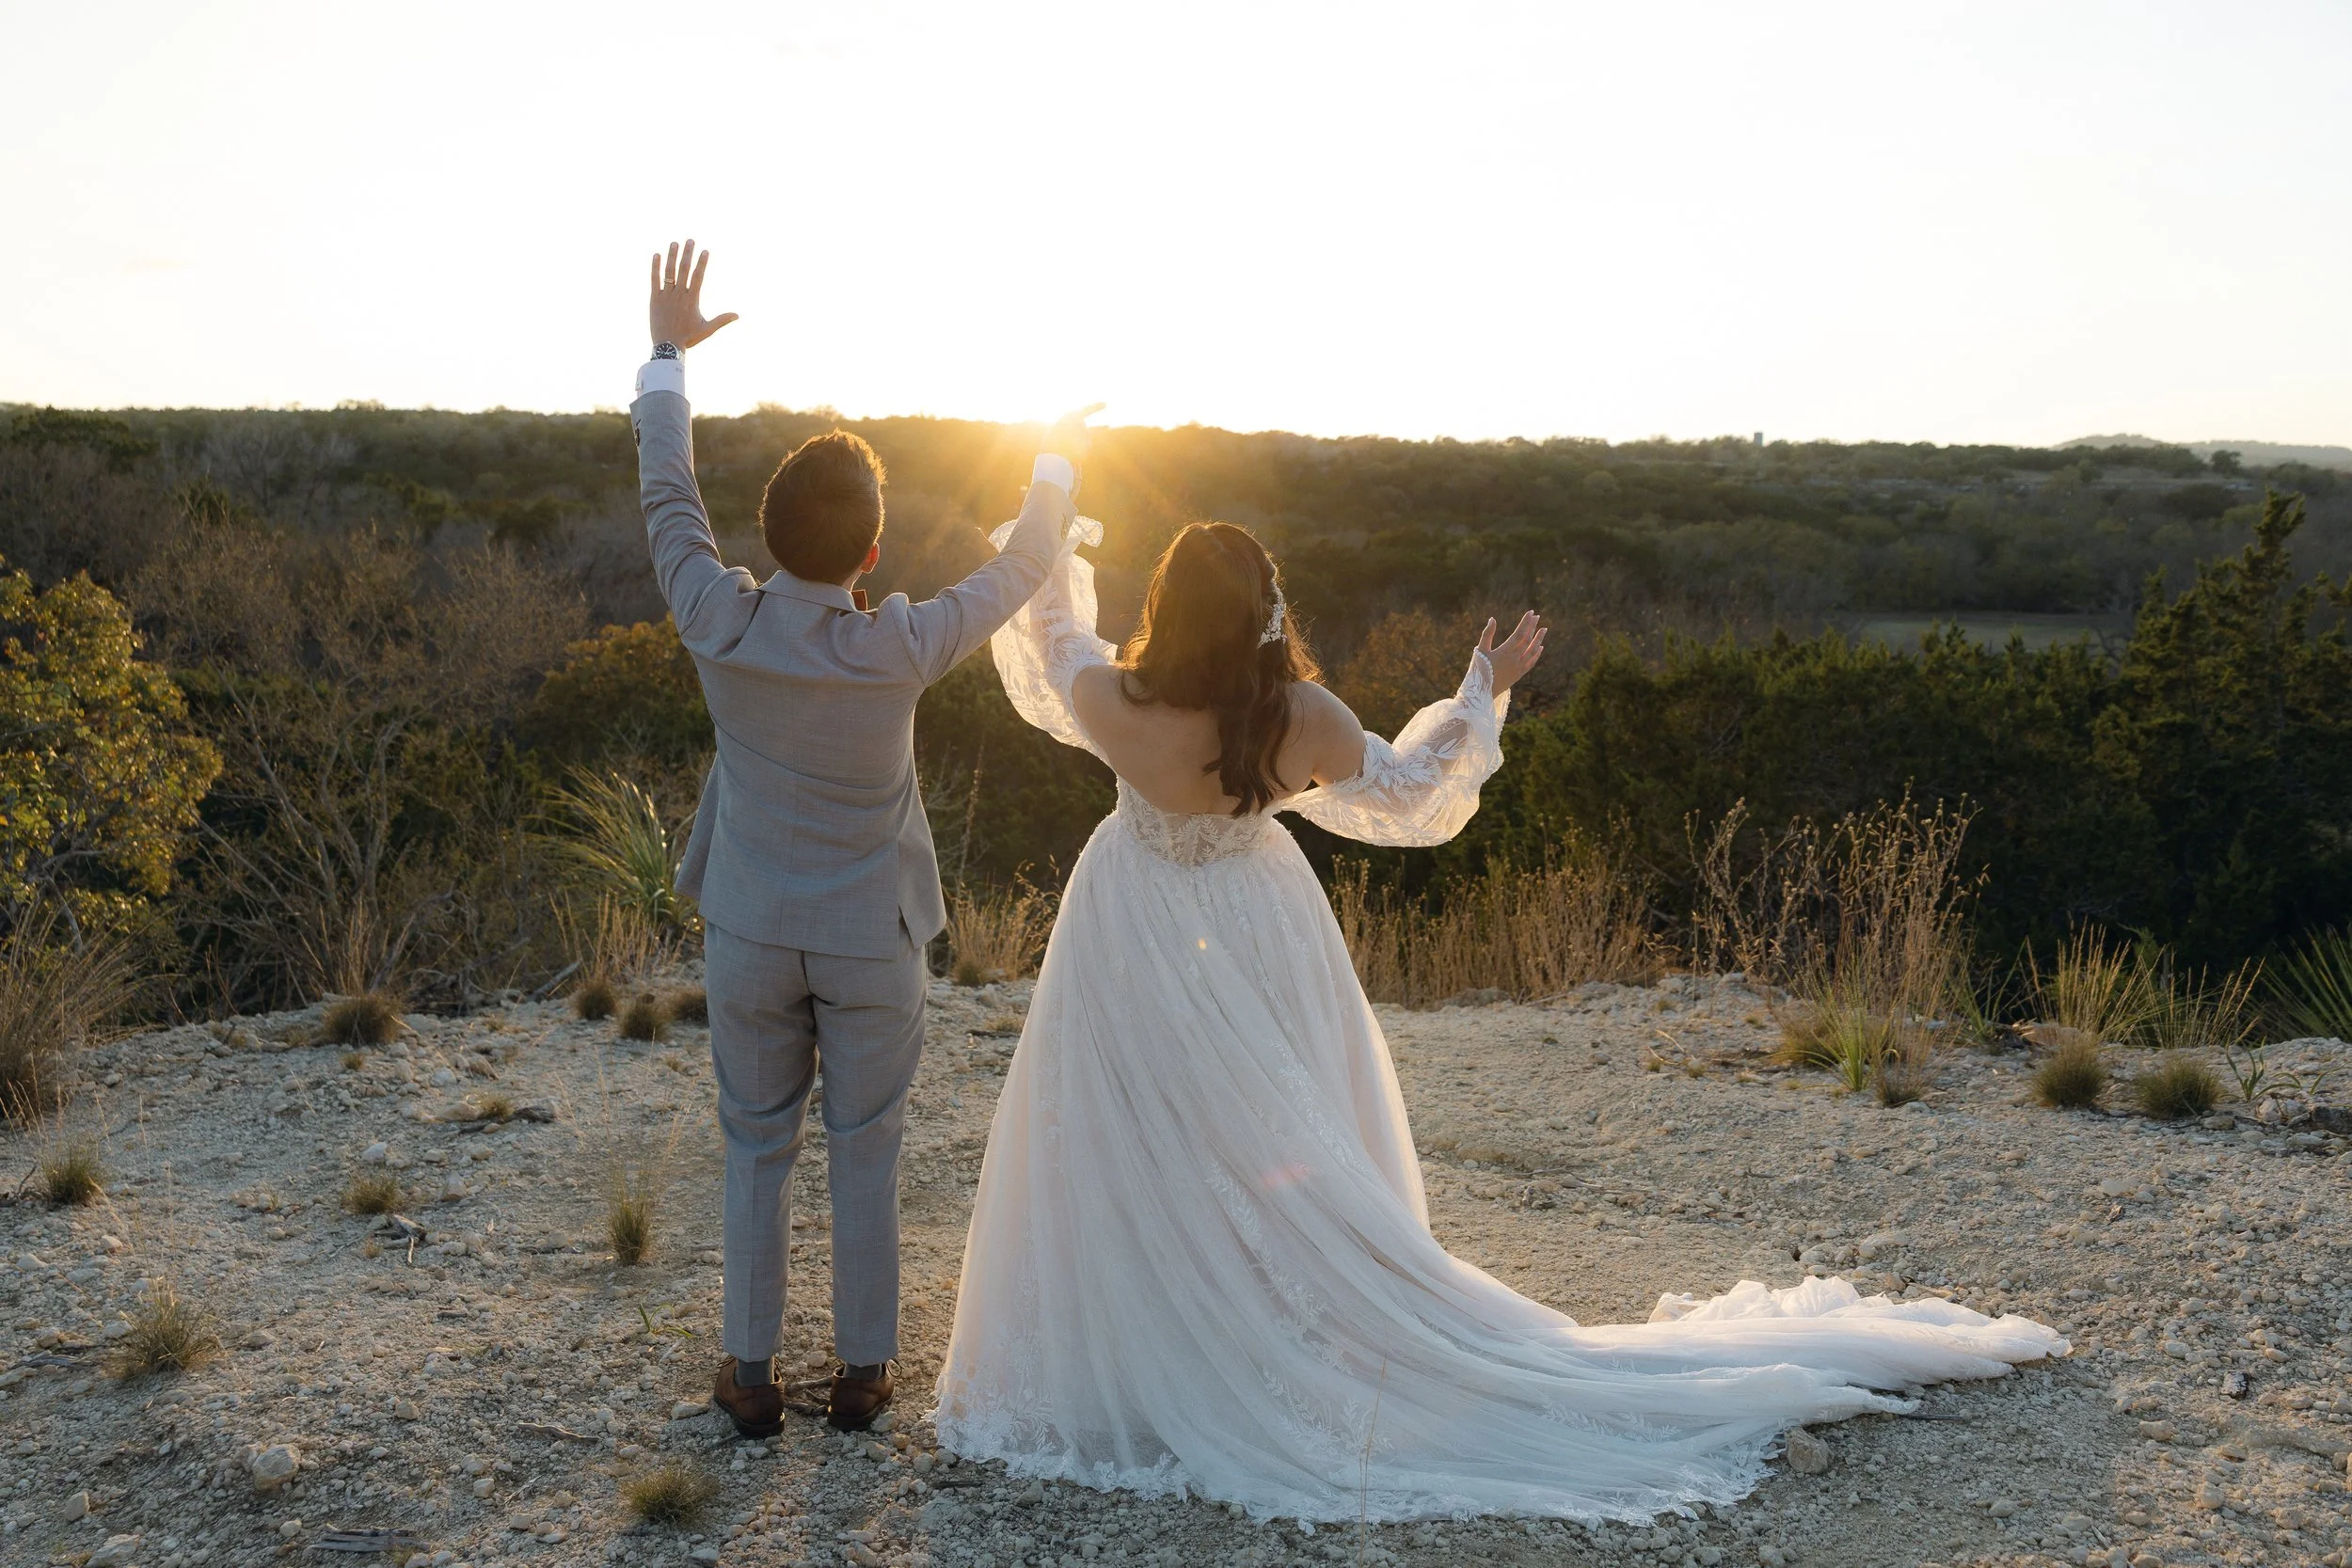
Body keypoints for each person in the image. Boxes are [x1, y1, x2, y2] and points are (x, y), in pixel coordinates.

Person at [933, 511, 2067, 1523]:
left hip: (1127, 915)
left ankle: (1150, 1348)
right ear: (1267, 612)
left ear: (1166, 610)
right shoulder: (1303, 716)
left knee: (1128, 1126)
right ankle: (1272, 1317)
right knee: (1265, 1128)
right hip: (1251, 918)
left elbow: (1046, 630)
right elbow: (1419, 794)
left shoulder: (1110, 702)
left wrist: (1050, 501)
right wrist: (1482, 688)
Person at [631, 240, 1097, 1435]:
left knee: (752, 1145)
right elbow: (1023, 564)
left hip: (746, 925)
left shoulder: (715, 618)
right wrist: (1051, 451)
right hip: (868, 937)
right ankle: (862, 1372)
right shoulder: (899, 643)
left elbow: (667, 496)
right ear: (873, 553)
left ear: (768, 537)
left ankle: (746, 1371)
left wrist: (669, 357)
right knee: (867, 1149)